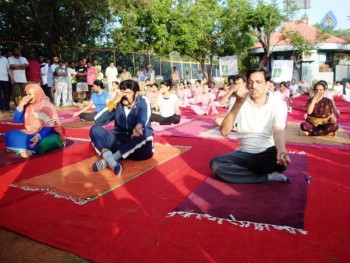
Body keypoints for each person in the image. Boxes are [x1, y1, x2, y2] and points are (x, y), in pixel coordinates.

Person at [210, 67, 291, 184]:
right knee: (216, 164)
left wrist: (281, 151)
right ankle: (267, 177)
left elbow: (278, 130)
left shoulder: (277, 104)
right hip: (244, 153)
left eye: (258, 82)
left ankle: (244, 172)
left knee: (274, 153)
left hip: (267, 154)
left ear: (267, 84)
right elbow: (224, 131)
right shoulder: (239, 100)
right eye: (250, 82)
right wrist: (238, 102)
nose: (253, 86)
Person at [90, 79, 154, 175]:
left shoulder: (142, 101)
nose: (124, 95)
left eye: (127, 92)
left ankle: (109, 160)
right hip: (118, 141)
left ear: (136, 93)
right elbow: (98, 120)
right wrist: (115, 101)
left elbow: (144, 115)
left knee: (146, 132)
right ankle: (113, 162)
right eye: (122, 92)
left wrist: (139, 125)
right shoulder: (117, 103)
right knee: (95, 130)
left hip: (138, 148)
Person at [5, 84, 65, 158]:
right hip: (30, 132)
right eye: (27, 94)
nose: (27, 97)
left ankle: (19, 148)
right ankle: (22, 149)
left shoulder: (47, 105)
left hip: (47, 134)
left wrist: (39, 135)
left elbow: (50, 126)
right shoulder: (28, 105)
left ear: (37, 93)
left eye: (30, 94)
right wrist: (21, 104)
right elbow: (17, 120)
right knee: (9, 134)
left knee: (45, 143)